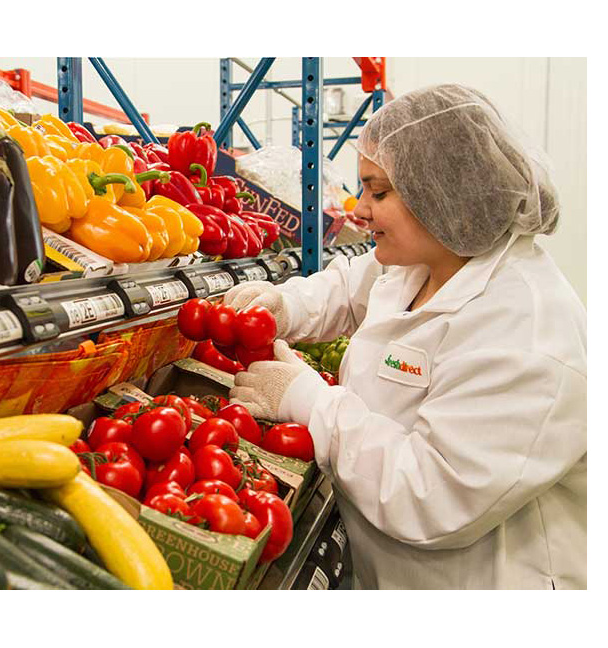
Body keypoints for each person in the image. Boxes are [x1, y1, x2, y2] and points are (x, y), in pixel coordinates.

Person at [227, 84, 586, 590]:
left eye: (378, 191)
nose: (359, 208)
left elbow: (431, 495)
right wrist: (284, 306)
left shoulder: (526, 336)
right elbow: (355, 286)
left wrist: (309, 401)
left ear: (442, 193)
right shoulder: (434, 257)